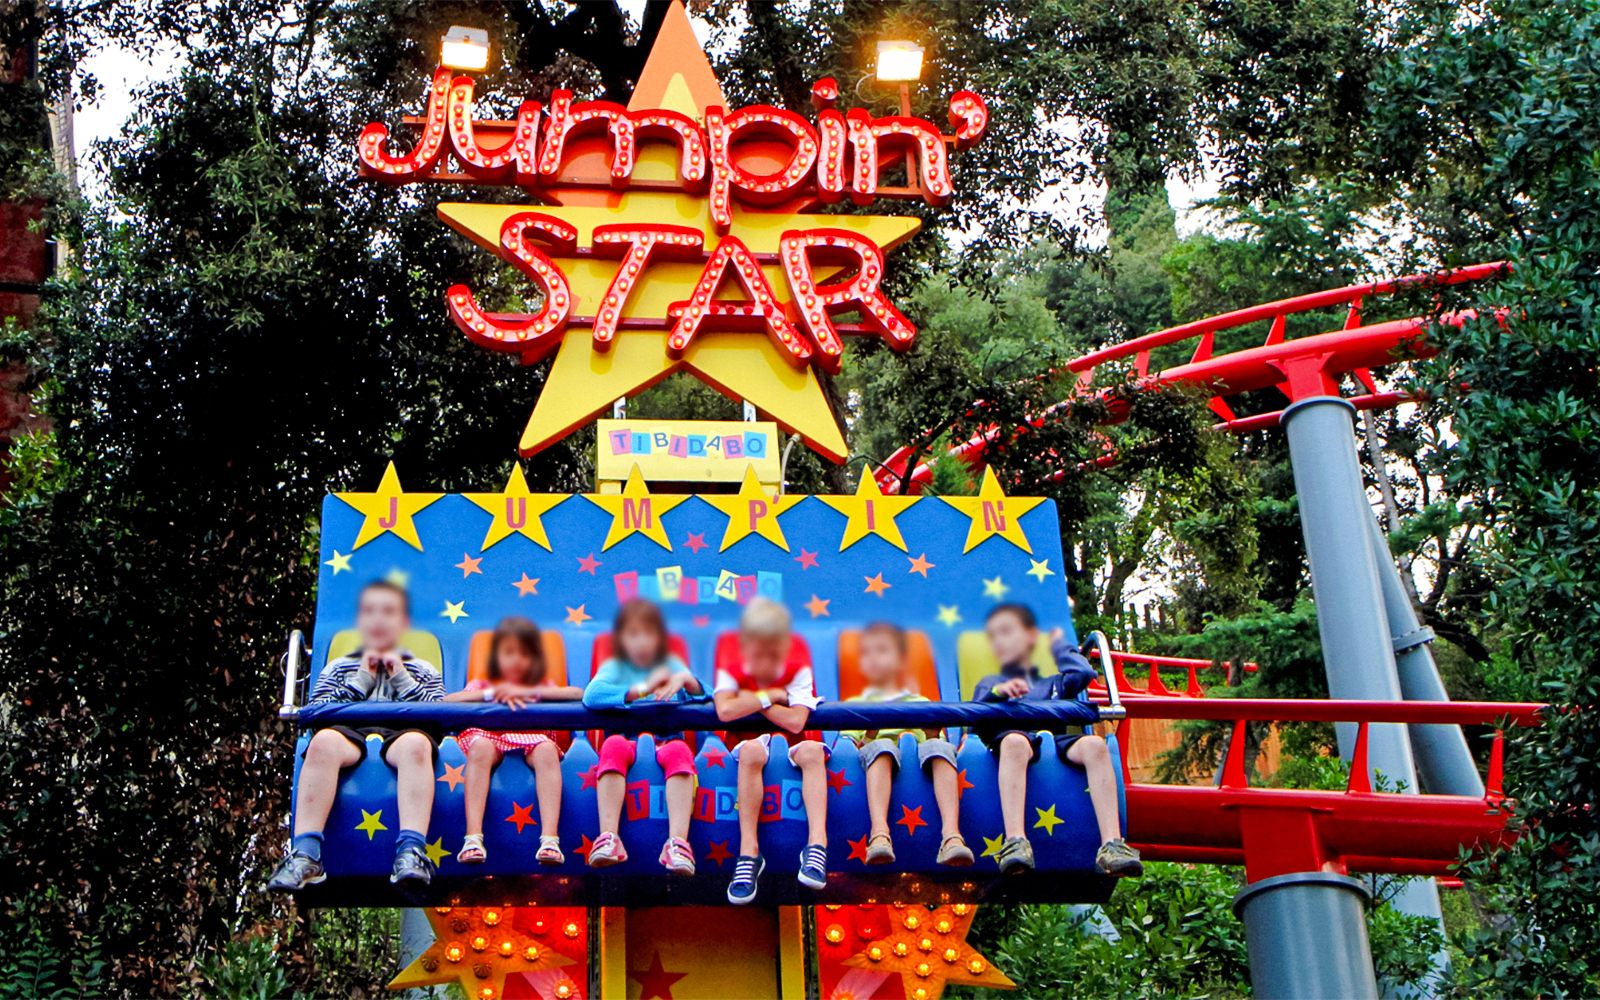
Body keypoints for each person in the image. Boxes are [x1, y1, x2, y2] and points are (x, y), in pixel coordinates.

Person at [268, 580, 446, 891]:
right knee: (322, 743)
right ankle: (306, 853)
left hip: (404, 730)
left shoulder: (423, 670)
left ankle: (411, 850)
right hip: (349, 730)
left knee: (417, 744)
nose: (379, 620)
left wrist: (401, 678)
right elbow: (317, 713)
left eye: (389, 613)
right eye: (370, 613)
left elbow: (438, 716)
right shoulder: (339, 667)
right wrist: (361, 679)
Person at [973, 603, 1142, 878]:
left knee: (1096, 745)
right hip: (1014, 743)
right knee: (1015, 742)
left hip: (1054, 741)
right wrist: (999, 691)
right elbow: (977, 716)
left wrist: (1060, 644)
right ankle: (1015, 840)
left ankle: (1113, 844)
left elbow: (1084, 675)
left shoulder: (1053, 683)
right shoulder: (992, 681)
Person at [713, 597, 829, 904]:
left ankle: (817, 846)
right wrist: (769, 697)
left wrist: (752, 703)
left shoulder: (797, 669)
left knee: (813, 752)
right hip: (747, 745)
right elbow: (725, 711)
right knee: (751, 751)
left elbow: (795, 721)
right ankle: (748, 854)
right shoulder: (731, 668)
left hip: (793, 745)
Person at [443, 617, 582, 866]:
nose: (516, 660)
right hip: (490, 737)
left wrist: (530, 693)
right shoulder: (483, 684)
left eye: (524, 654)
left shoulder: (539, 686)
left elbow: (577, 694)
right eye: (509, 652)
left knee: (547, 750)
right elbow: (447, 702)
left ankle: (550, 839)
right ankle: (473, 837)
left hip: (532, 738)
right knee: (480, 749)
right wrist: (489, 695)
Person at [581, 599, 705, 874]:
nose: (642, 642)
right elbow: (592, 695)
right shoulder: (615, 667)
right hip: (627, 741)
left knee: (681, 752)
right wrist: (641, 689)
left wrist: (686, 680)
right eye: (634, 634)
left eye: (649, 634)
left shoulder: (671, 665)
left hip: (666, 742)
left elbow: (707, 694)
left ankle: (677, 843)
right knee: (612, 745)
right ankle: (609, 837)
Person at [841, 622, 974, 867]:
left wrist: (934, 734)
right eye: (866, 653)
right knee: (882, 748)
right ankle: (879, 834)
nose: (874, 658)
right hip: (878, 758)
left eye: (882, 650)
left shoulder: (920, 702)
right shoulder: (856, 705)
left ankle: (951, 836)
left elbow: (934, 745)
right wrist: (870, 735)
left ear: (900, 660)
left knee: (941, 750)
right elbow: (849, 750)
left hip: (918, 765)